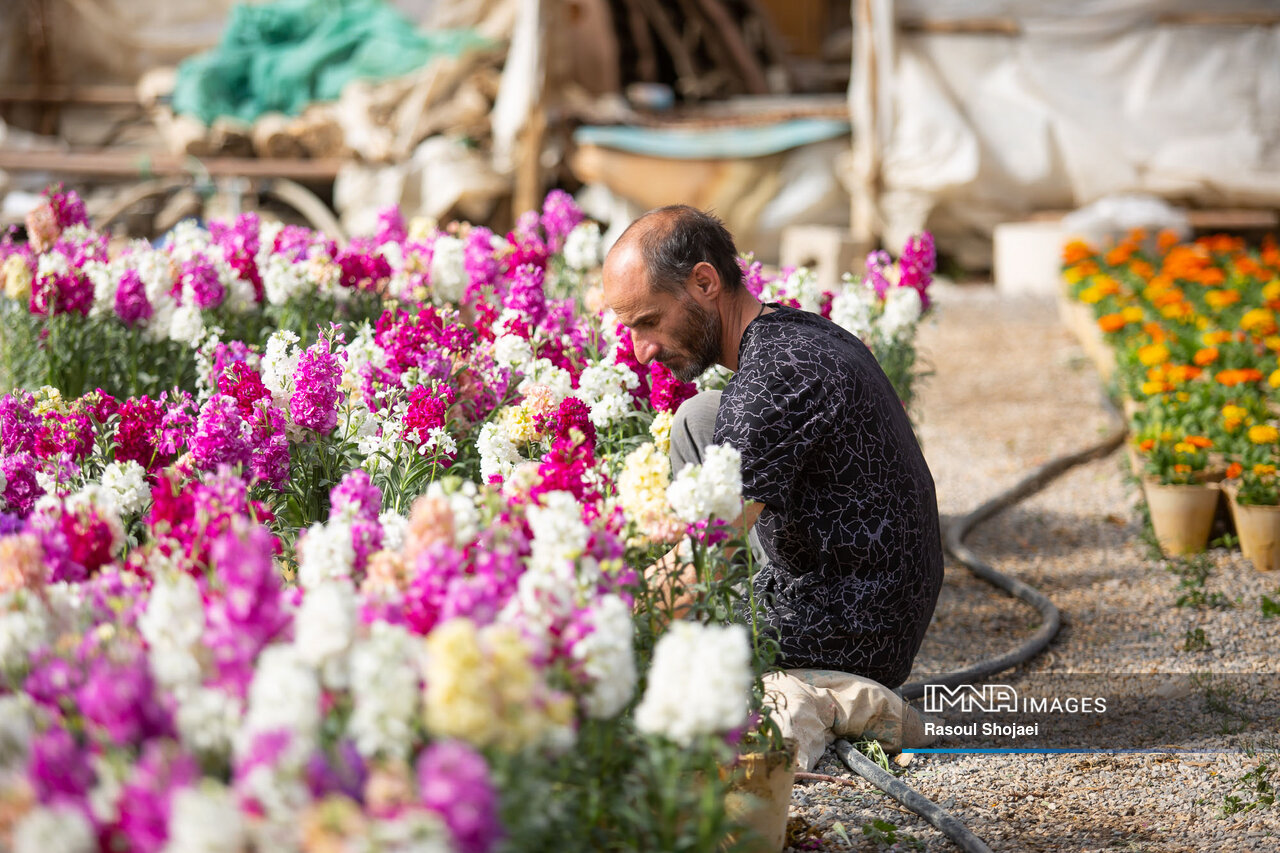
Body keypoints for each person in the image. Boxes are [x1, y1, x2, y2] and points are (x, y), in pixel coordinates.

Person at [602, 205, 943, 690]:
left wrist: (601, 631)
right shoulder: (787, 334)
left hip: (855, 632)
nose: (642, 350)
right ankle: (742, 592)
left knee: (663, 655)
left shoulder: (774, 379)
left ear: (704, 282)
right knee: (699, 416)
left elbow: (701, 557)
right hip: (868, 590)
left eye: (649, 321)